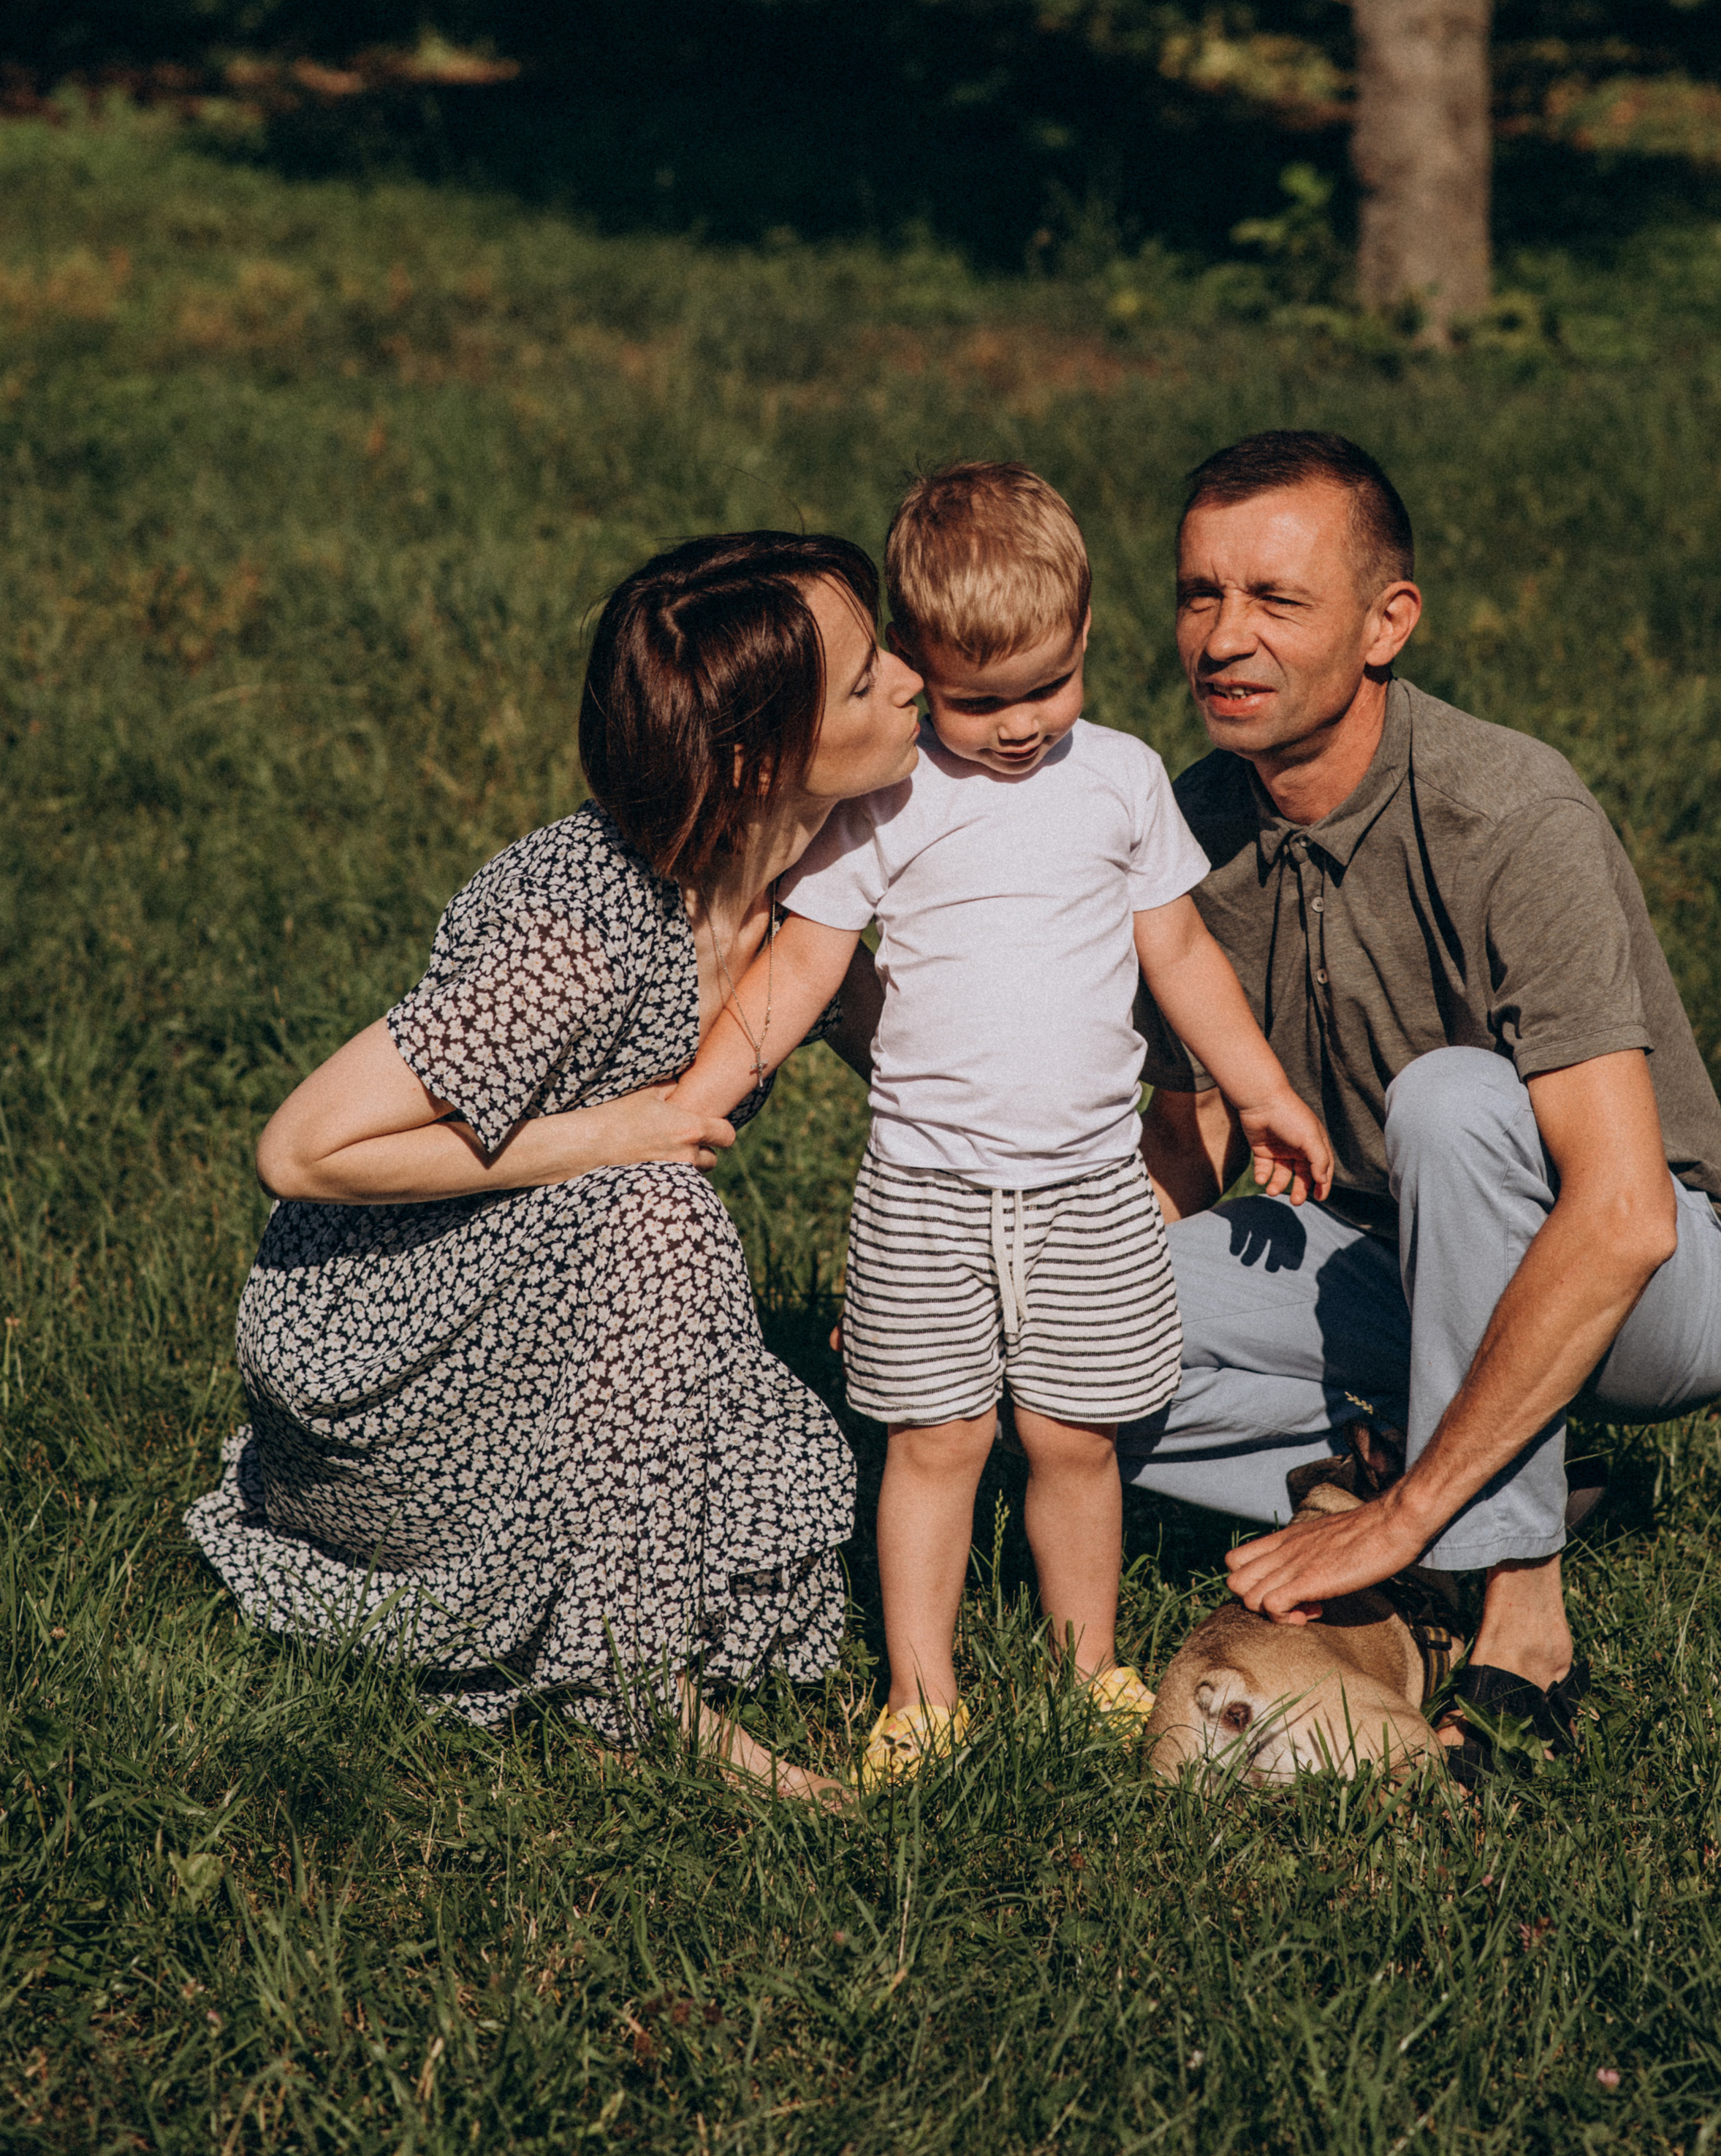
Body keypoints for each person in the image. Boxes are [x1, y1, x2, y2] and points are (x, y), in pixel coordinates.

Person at [184, 531, 926, 1806]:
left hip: (547, 1307)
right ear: (755, 762)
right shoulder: (580, 933)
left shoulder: (810, 885)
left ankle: (610, 1628)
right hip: (392, 1354)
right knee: (661, 1210)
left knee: (794, 1482)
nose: (912, 680)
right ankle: (630, 1693)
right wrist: (614, 1132)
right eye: (865, 682)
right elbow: (300, 1147)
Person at [1120, 430, 1721, 1780]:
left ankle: (1515, 1601)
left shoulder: (1508, 811)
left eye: (1276, 600)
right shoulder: (1182, 829)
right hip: (1385, 1262)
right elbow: (1182, 1141)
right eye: (1200, 594)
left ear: (1387, 623)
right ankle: (1423, 1462)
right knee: (1073, 1335)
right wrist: (996, 1286)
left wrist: (1406, 1516)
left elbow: (1623, 1212)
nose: (1223, 639)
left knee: (1455, 1104)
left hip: (1659, 1280)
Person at [674, 463, 1333, 1784]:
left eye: (1049, 685)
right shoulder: (889, 801)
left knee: (1078, 1441)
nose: (1022, 725)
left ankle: (1085, 1668)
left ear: (1087, 640)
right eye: (980, 702)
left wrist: (1259, 1088)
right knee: (936, 1443)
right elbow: (802, 971)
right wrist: (701, 1094)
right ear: (914, 668)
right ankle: (921, 1694)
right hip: (925, 1190)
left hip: (1093, 1186)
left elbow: (1183, 956)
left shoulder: (1125, 782)